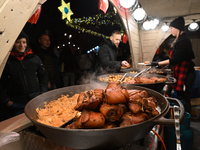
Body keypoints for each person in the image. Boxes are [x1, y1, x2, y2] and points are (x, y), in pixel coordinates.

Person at [147, 16, 196, 113]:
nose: (170, 31)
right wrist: (160, 63)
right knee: (182, 97)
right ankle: (182, 117)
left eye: (171, 28)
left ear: (177, 28)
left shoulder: (184, 40)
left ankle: (185, 120)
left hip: (186, 74)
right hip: (182, 72)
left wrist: (157, 63)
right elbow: (173, 58)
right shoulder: (180, 39)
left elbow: (175, 59)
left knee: (185, 98)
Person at [0, 31, 48, 119]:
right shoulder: (7, 61)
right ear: (13, 43)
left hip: (35, 101)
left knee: (37, 125)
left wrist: (42, 93)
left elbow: (43, 76)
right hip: (16, 104)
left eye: (24, 42)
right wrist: (6, 101)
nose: (21, 45)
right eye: (18, 42)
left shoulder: (34, 58)